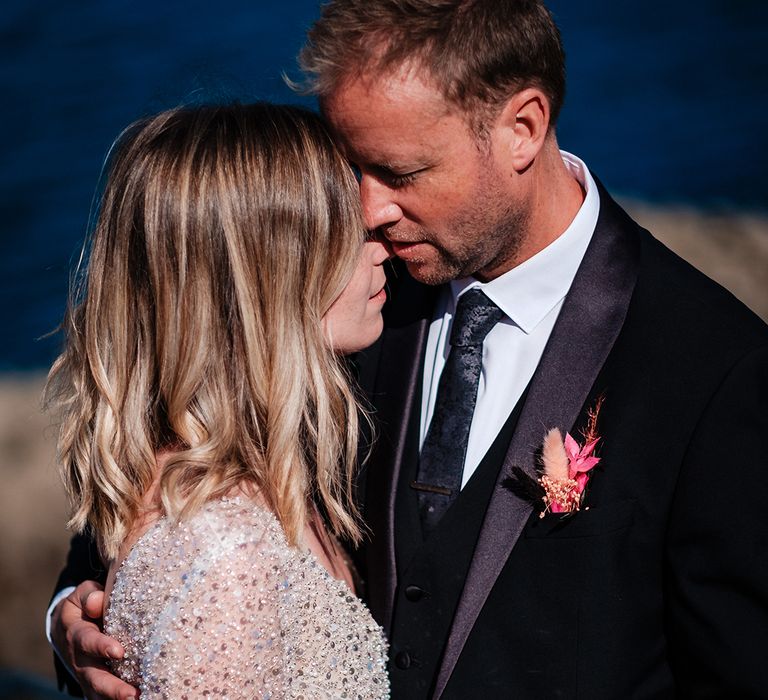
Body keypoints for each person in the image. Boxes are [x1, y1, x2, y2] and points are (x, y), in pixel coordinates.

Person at [51, 1, 768, 698]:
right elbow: (178, 474)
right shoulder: (332, 293)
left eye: (400, 173)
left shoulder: (712, 371)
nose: (367, 210)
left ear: (523, 127)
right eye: (352, 166)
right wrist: (74, 623)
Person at [45, 102, 391, 699]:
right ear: (271, 277)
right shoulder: (224, 563)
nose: (380, 245)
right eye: (347, 233)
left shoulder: (240, 474)